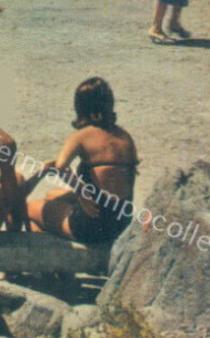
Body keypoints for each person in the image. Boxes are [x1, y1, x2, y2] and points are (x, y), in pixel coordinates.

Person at [23, 78, 138, 246]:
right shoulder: (125, 137)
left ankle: (53, 264)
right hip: (120, 224)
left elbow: (61, 166)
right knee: (51, 196)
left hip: (90, 228)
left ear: (80, 107)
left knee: (29, 209)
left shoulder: (81, 136)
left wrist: (80, 191)